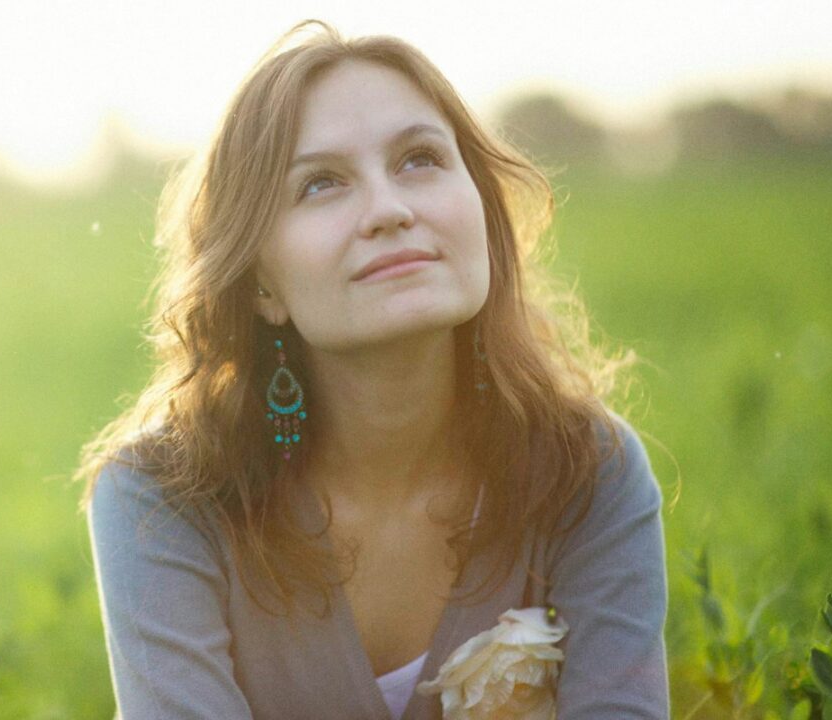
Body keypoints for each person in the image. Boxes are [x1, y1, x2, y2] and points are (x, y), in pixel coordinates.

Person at [76, 19, 668, 720]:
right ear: (262, 286)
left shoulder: (586, 471)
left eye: (419, 159)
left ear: (480, 208)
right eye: (321, 184)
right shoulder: (162, 501)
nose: (389, 210)